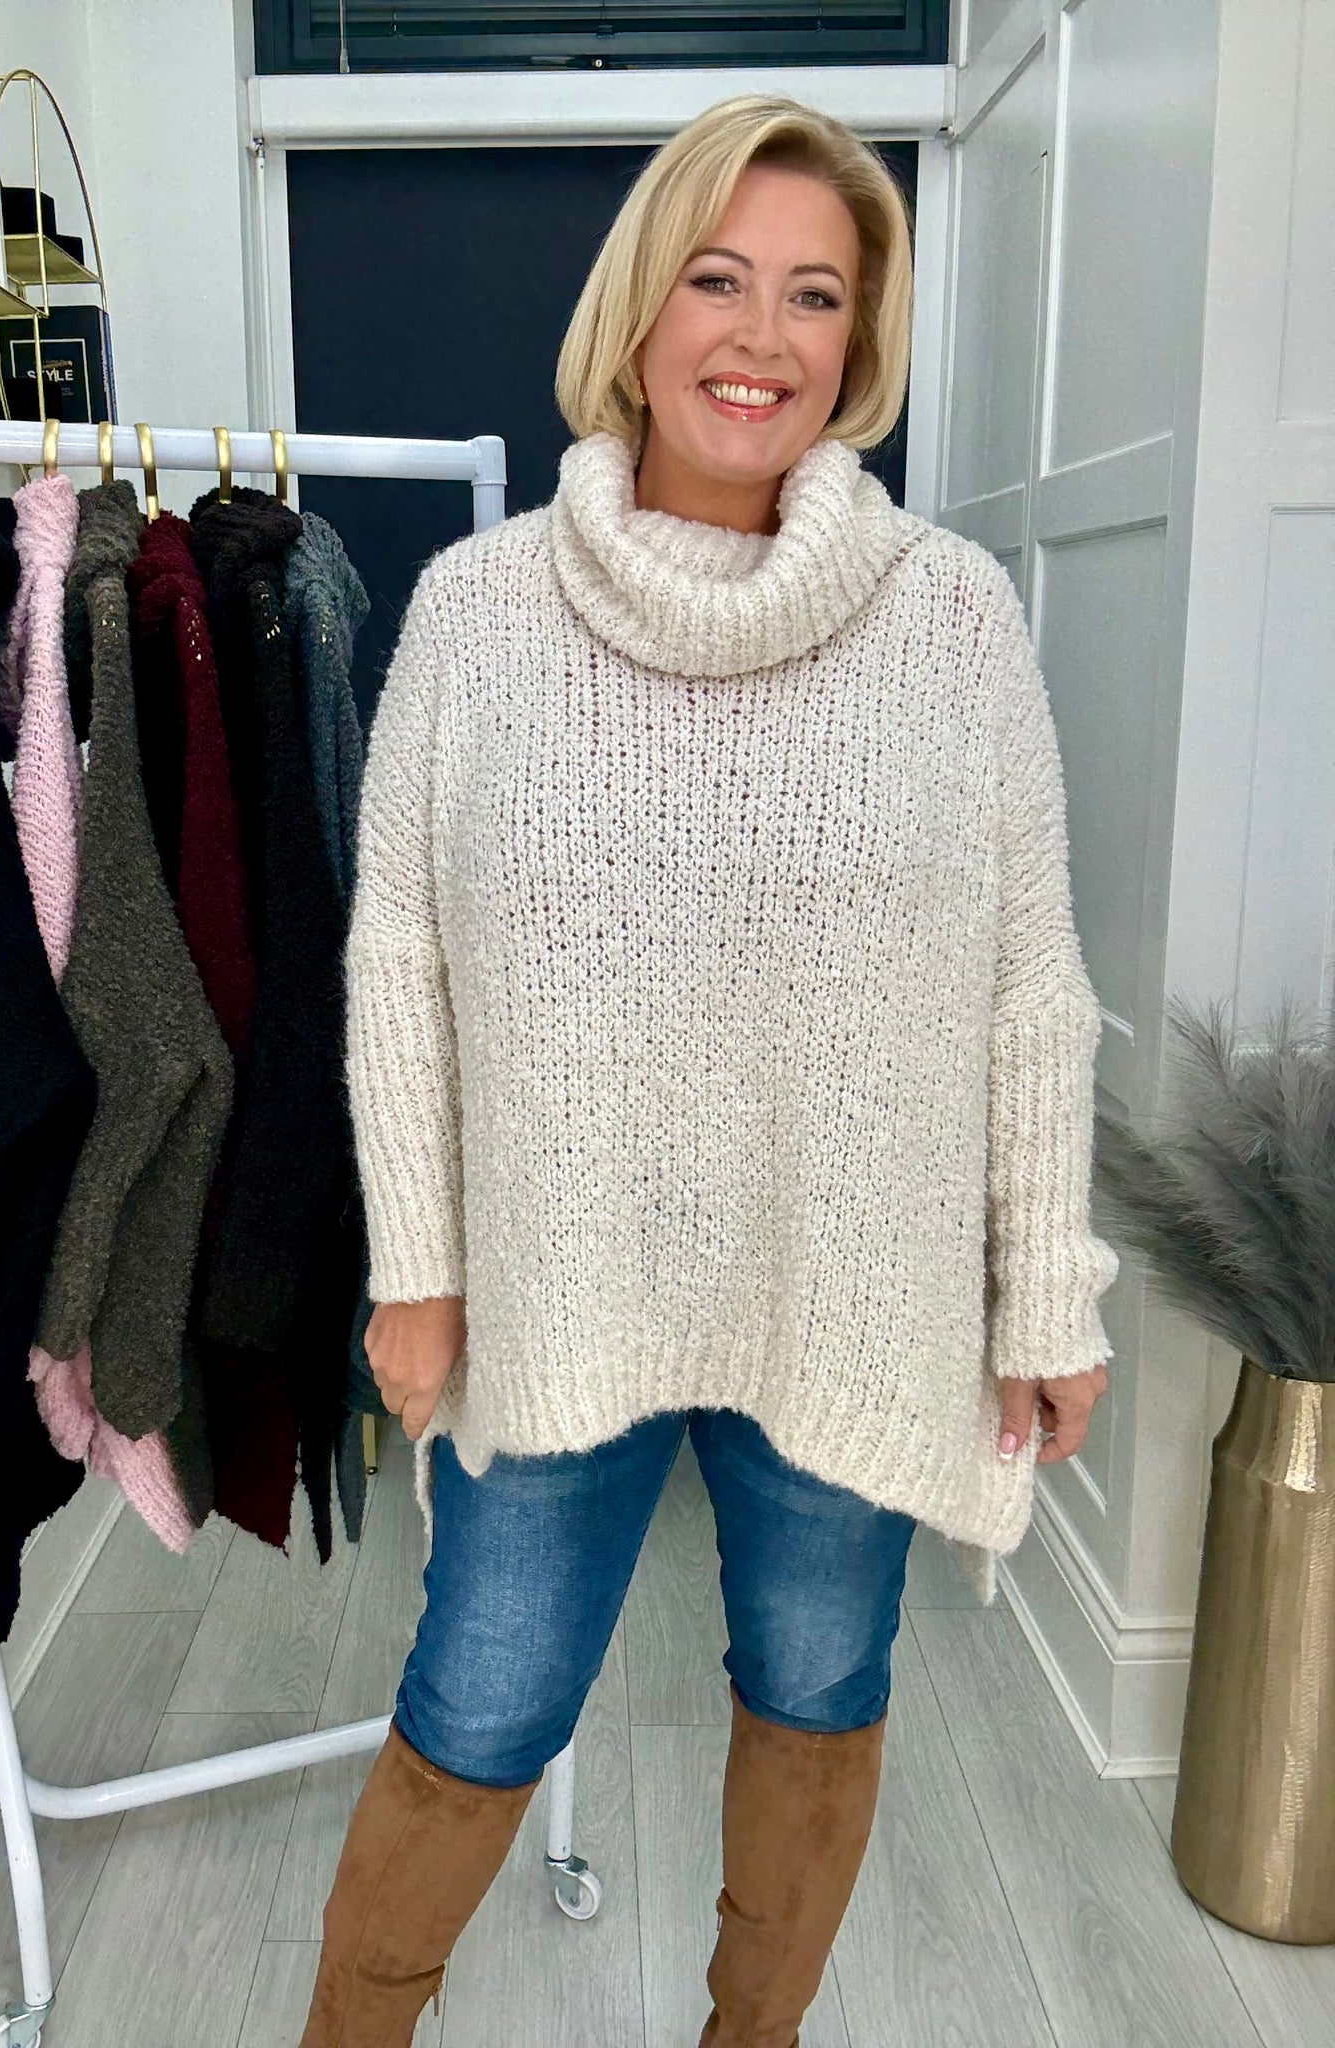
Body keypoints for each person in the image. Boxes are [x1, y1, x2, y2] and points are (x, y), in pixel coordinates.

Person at [297, 90, 1117, 2048]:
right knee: (483, 1694)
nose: (762, 336)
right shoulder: (481, 614)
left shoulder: (953, 619)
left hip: (852, 1281)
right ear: (642, 309)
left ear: (860, 340)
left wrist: (1047, 1291)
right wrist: (418, 1269)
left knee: (820, 1681)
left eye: (816, 295)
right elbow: (399, 962)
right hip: (561, 1278)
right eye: (720, 279)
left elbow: (1029, 981)